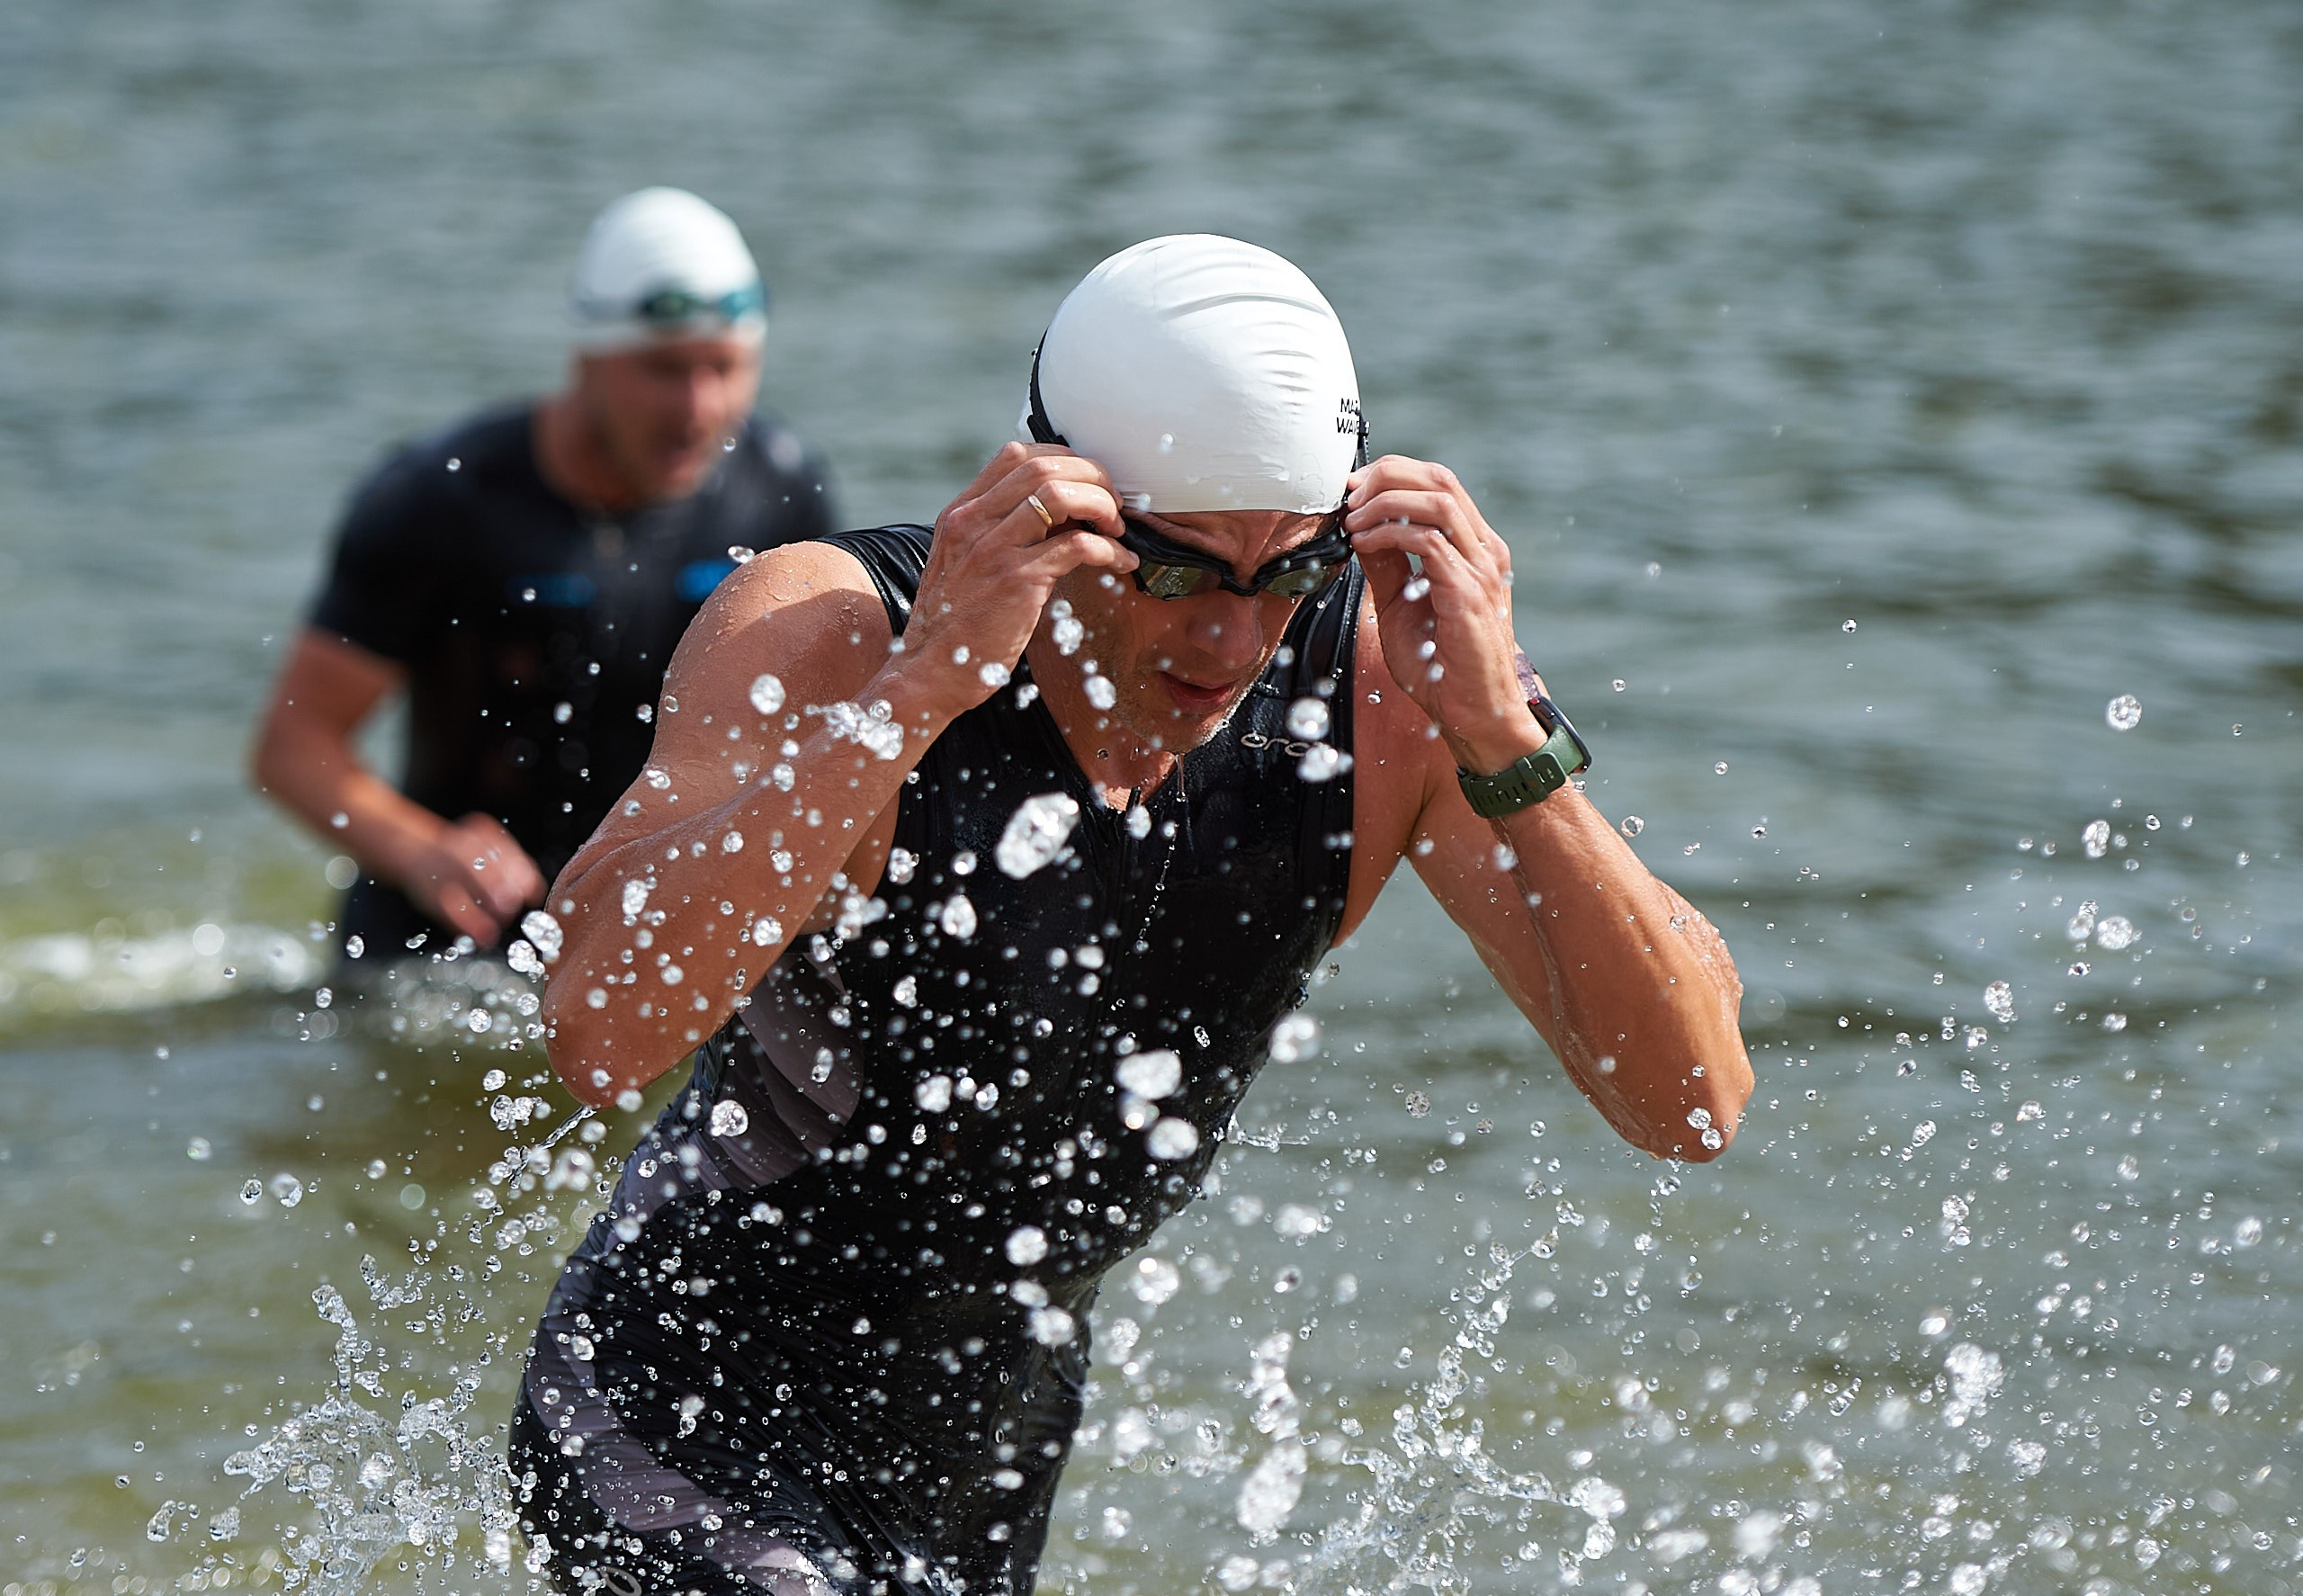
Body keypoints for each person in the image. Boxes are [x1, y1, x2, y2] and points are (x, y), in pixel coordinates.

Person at [509, 235, 1752, 1596]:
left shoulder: (1396, 696)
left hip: (988, 1445)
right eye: (1171, 572)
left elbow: (1690, 1103)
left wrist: (1502, 734)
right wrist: (919, 693)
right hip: (674, 1398)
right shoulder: (836, 634)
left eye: (1284, 573)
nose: (1228, 641)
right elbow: (597, 1027)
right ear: (1059, 504)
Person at [253, 188, 837, 964]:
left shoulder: (779, 491)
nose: (698, 407)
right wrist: (423, 849)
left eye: (725, 368)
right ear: (586, 357)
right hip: (447, 939)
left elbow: (827, 734)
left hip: (650, 930)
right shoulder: (443, 499)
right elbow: (293, 746)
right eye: (663, 370)